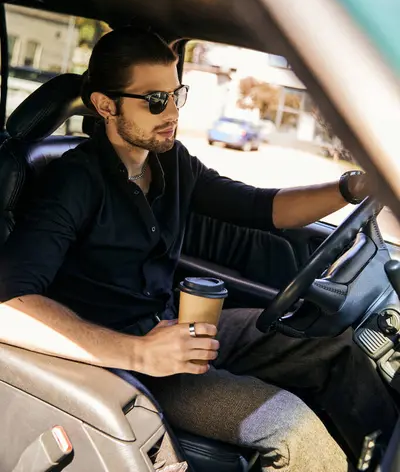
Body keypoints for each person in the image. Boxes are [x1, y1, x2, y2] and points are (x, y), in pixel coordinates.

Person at [0, 28, 396, 472]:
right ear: (105, 106)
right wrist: (138, 352)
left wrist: (353, 187)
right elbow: (9, 306)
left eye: (175, 95)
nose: (171, 113)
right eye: (154, 100)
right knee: (293, 428)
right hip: (124, 368)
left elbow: (262, 208)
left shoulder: (169, 160)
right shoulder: (73, 182)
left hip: (175, 329)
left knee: (331, 345)